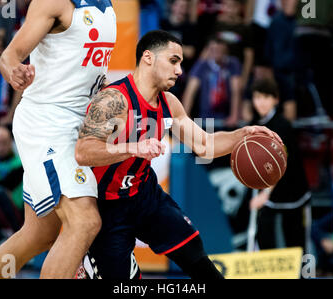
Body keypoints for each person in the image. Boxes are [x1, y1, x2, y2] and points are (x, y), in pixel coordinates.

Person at [74, 30, 282, 279]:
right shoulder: (113, 99)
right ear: (148, 58)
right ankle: (89, 267)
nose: (180, 70)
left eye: (180, 63)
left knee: (195, 255)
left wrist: (243, 134)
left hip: (144, 195)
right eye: (174, 61)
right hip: (108, 204)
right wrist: (133, 148)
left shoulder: (170, 103)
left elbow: (205, 146)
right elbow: (83, 152)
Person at [0, 0, 117, 279]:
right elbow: (9, 55)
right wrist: (14, 71)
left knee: (39, 235)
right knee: (85, 221)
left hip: (76, 125)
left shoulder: (107, 6)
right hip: (47, 123)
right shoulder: (55, 2)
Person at [247, 78, 311, 251]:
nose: (261, 102)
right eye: (257, 97)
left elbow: (279, 162)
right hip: (269, 194)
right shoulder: (254, 124)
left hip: (292, 191)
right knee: (264, 236)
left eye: (266, 97)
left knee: (295, 243)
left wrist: (265, 194)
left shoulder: (282, 125)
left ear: (275, 99)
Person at [182, 37, 242, 126]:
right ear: (208, 50)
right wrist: (185, 116)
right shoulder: (202, 65)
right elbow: (190, 91)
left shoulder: (233, 63)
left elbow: (236, 90)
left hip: (226, 117)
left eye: (220, 50)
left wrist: (234, 116)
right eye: (213, 50)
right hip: (205, 117)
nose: (217, 53)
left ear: (226, 50)